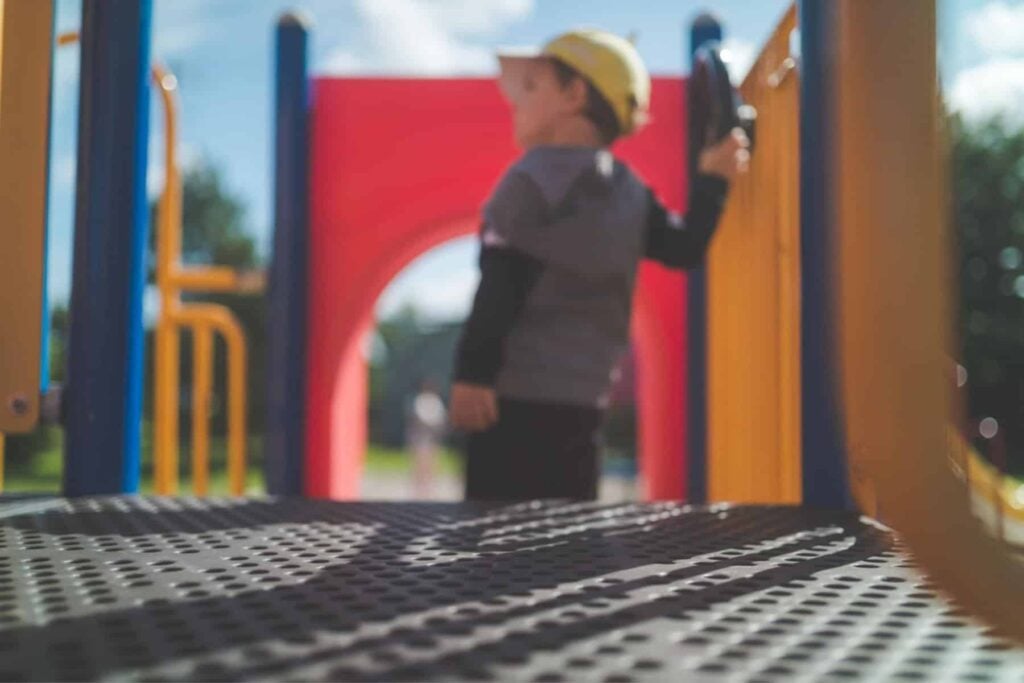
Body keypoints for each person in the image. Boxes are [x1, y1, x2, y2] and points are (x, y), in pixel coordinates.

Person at [449, 29, 749, 501]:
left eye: (531, 88)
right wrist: (713, 181)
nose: (516, 102)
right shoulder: (629, 190)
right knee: (569, 535)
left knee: (490, 527)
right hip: (583, 406)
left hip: (510, 402)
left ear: (574, 94)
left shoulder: (528, 179)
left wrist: (473, 373)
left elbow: (500, 282)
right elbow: (683, 247)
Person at [405, 378, 447, 498]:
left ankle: (428, 491)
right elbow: (420, 418)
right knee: (419, 465)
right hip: (421, 438)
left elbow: (441, 419)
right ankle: (418, 491)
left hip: (432, 438)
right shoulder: (420, 400)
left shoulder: (436, 401)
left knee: (432, 466)